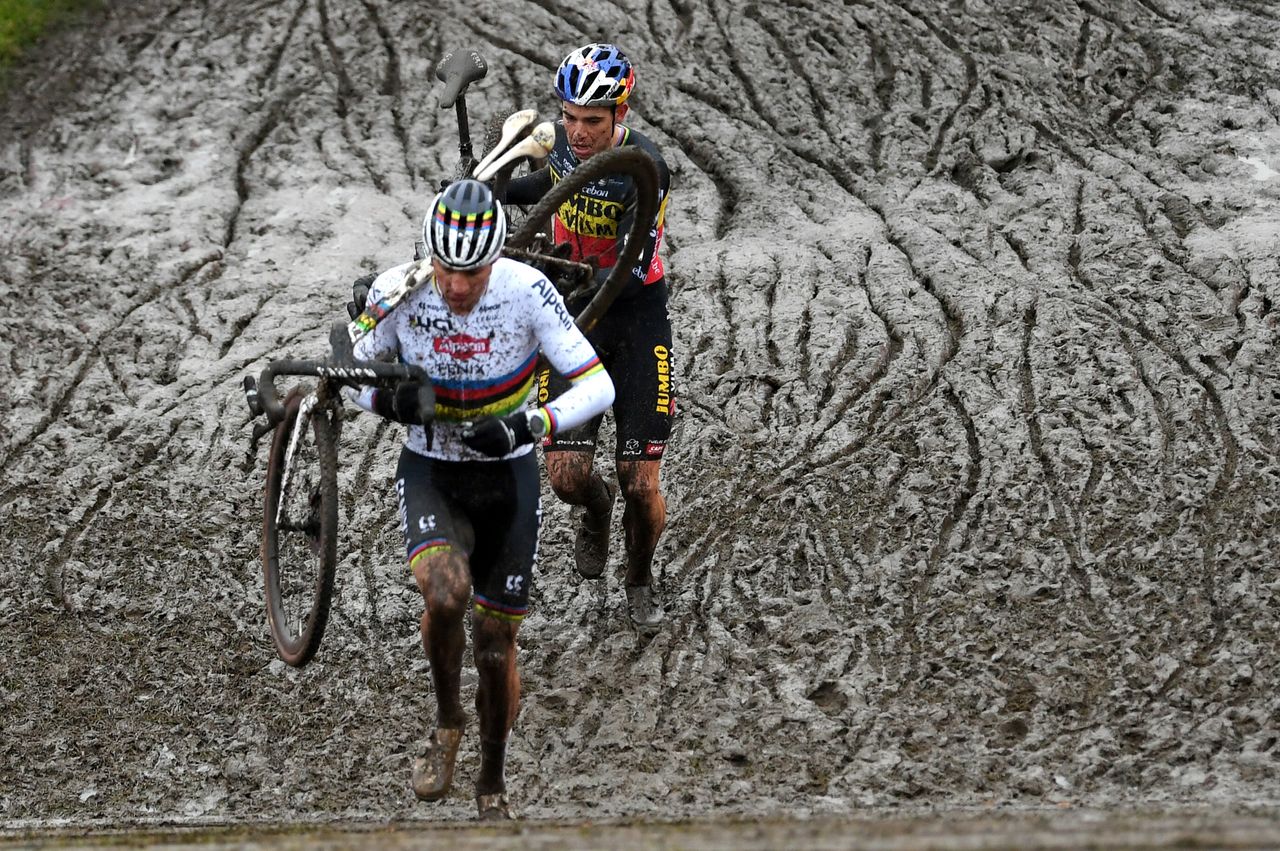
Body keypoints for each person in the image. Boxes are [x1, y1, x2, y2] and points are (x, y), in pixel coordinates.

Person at [345, 179, 614, 819]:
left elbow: (597, 384)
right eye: (445, 270)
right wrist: (387, 400)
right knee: (444, 594)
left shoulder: (527, 290)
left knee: (495, 648)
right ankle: (447, 727)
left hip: (509, 480)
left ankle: (491, 783)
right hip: (432, 471)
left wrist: (531, 425)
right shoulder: (397, 291)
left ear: (495, 259)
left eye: (472, 272)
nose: (458, 286)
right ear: (427, 256)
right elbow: (345, 372)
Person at [502, 42, 674, 629]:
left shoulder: (645, 168)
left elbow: (629, 264)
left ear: (620, 116)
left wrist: (565, 274)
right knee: (569, 478)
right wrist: (486, 191)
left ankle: (640, 577)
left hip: (634, 319)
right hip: (572, 317)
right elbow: (539, 189)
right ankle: (593, 512)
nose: (577, 132)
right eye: (570, 116)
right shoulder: (561, 144)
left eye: (592, 122)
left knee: (639, 480)